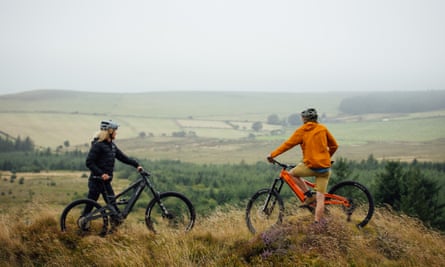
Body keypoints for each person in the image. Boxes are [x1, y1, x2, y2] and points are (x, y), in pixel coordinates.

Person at [267, 108, 338, 226]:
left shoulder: (302, 131)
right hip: (325, 168)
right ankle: (317, 224)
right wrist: (326, 157)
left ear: (304, 119)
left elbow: (287, 145)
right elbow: (334, 145)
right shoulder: (323, 128)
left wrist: (272, 155)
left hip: (311, 167)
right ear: (316, 118)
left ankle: (309, 196)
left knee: (291, 174)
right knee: (321, 198)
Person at [81, 120, 142, 230]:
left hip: (106, 182)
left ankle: (113, 231)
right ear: (109, 131)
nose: (116, 133)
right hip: (96, 181)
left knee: (113, 207)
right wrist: (101, 173)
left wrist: (136, 165)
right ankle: (82, 226)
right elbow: (89, 162)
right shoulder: (98, 145)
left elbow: (123, 157)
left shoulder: (112, 146)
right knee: (89, 207)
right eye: (115, 131)